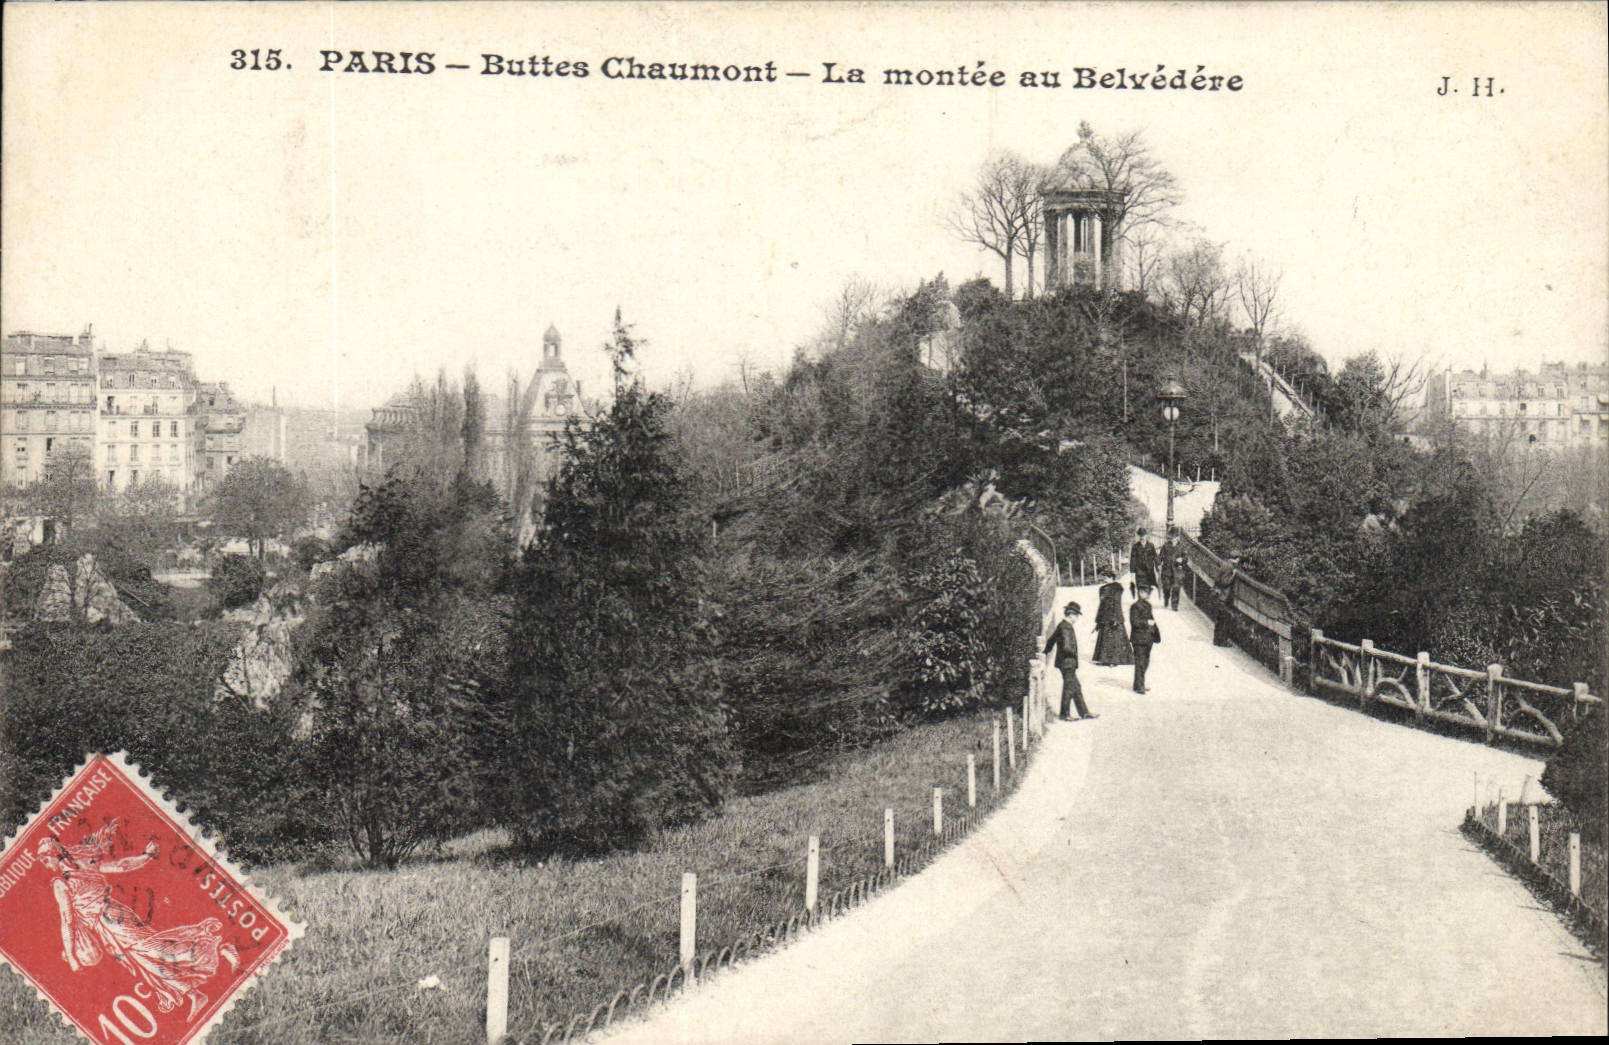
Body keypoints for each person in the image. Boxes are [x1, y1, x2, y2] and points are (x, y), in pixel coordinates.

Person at [39, 820, 239, 1020]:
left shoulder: (60, 883)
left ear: (55, 854)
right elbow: (120, 865)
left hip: (111, 920)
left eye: (46, 860)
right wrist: (146, 856)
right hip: (110, 923)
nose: (46, 865)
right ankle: (194, 994)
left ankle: (216, 947)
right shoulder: (83, 865)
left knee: (154, 950)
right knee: (143, 963)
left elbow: (67, 920)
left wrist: (73, 957)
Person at [1042, 601, 1096, 721]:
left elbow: (1051, 640)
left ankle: (1084, 712)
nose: (1077, 618)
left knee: (1076, 686)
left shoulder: (1061, 625)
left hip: (1064, 662)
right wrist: (1074, 654)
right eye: (1076, 615)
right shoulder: (1066, 627)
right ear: (1070, 614)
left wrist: (1046, 651)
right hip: (1068, 662)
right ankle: (1065, 714)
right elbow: (1067, 646)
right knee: (1069, 687)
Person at [1091, 571, 1133, 666]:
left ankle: (1114, 661)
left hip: (1114, 616)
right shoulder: (1102, 589)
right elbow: (1102, 605)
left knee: (1114, 639)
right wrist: (1099, 619)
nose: (1104, 578)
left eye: (1107, 577)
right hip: (1105, 616)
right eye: (1104, 576)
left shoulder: (1116, 589)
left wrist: (1116, 618)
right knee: (1105, 639)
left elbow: (1117, 603)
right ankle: (1104, 660)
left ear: (1112, 578)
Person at [1129, 584, 1162, 693]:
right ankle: (1139, 686)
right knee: (1140, 662)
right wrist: (1146, 623)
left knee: (1145, 662)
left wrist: (1155, 633)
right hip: (1138, 638)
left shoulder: (1148, 605)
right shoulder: (1135, 606)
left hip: (1148, 638)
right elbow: (1134, 622)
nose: (1147, 595)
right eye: (1145, 593)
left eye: (1148, 593)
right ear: (1140, 593)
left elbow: (1152, 620)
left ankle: (1139, 683)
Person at [1212, 550, 1243, 647]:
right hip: (1224, 597)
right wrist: (1233, 575)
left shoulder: (1224, 563)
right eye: (1239, 559)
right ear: (1236, 559)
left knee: (1219, 619)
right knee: (1224, 620)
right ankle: (1222, 641)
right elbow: (1224, 582)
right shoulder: (1230, 567)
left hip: (1219, 595)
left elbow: (1217, 579)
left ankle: (1216, 640)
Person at [1158, 528, 1187, 610]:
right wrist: (1158, 564)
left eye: (1175, 536)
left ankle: (1174, 605)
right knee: (1166, 587)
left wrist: (1182, 560)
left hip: (1177, 570)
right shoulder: (1165, 546)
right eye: (1172, 536)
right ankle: (1166, 598)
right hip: (1166, 570)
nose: (1174, 538)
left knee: (1176, 588)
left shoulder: (1181, 547)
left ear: (1178, 537)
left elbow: (1186, 558)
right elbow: (1160, 557)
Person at [1128, 527, 1158, 598]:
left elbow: (1155, 557)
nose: (1142, 537)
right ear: (1138, 536)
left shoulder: (1151, 545)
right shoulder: (1135, 547)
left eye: (1143, 535)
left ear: (1146, 536)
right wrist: (1132, 573)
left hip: (1149, 572)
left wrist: (1158, 566)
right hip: (1139, 572)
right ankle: (1141, 603)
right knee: (1140, 590)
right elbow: (1133, 560)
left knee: (1147, 591)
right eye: (1140, 536)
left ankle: (1145, 603)